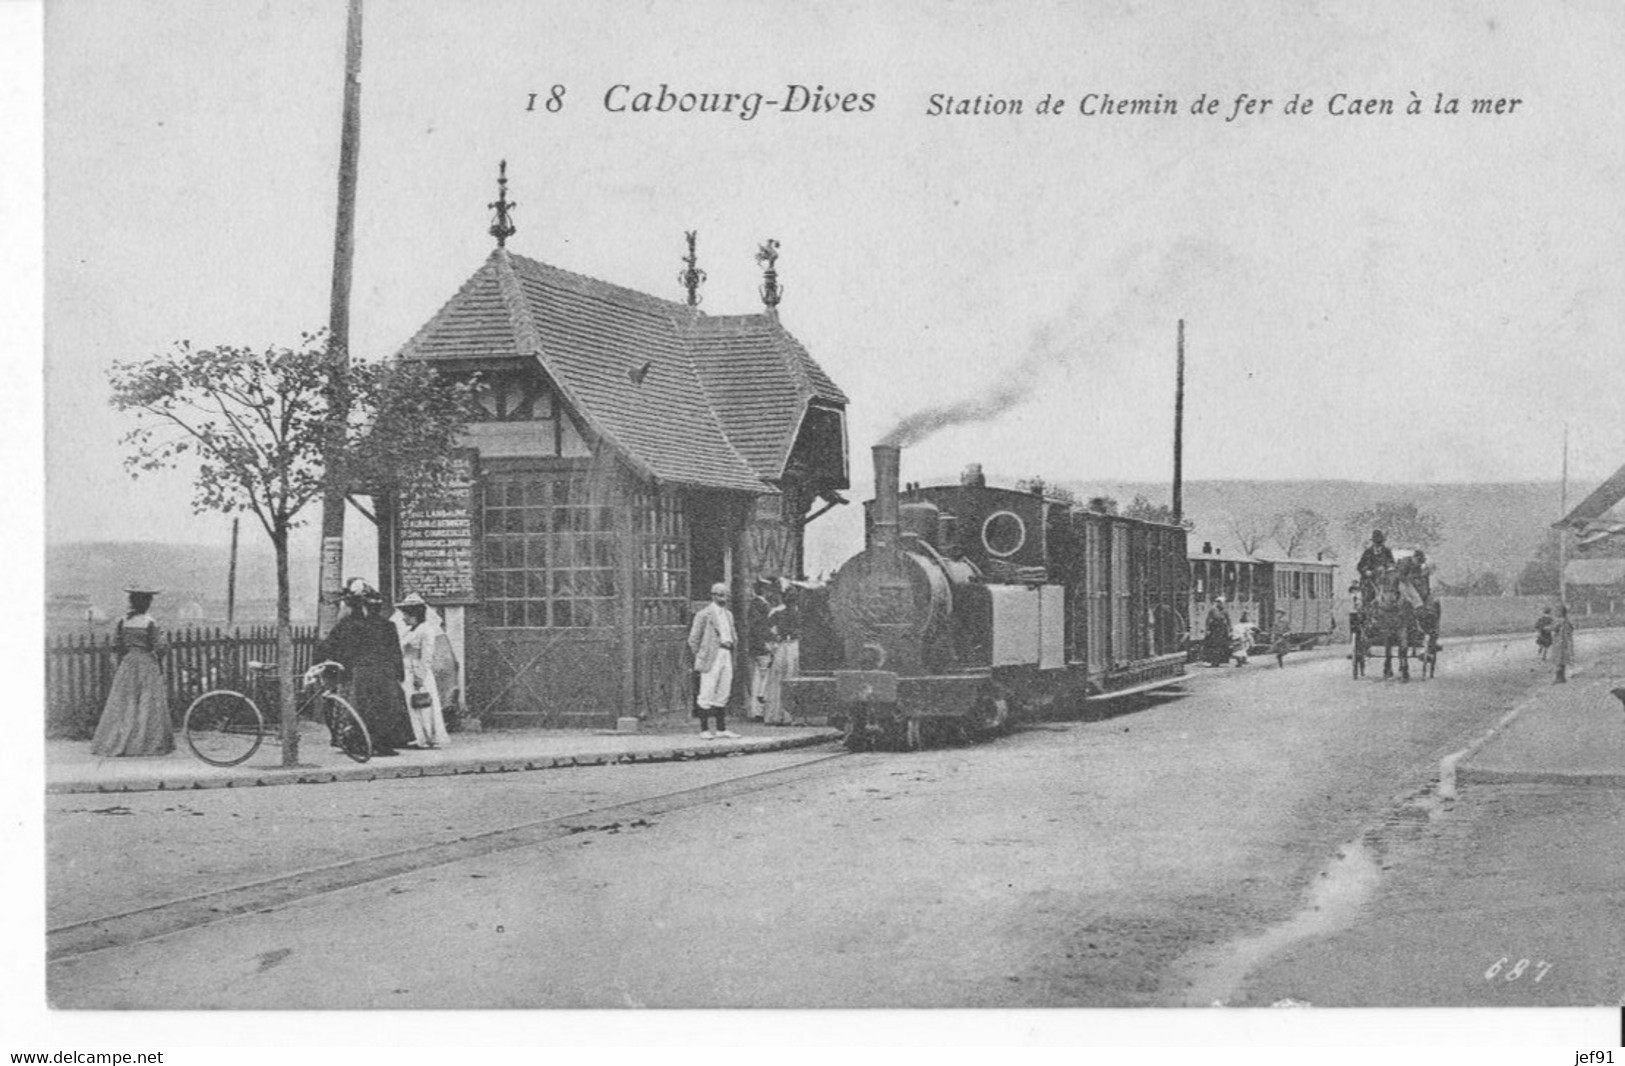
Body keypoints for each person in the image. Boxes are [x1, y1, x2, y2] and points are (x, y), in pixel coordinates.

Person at [315, 580, 415, 756]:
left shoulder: (347, 626)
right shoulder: (387, 625)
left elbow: (332, 649)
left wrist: (332, 671)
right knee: (384, 709)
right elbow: (395, 652)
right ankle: (382, 744)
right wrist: (399, 675)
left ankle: (359, 743)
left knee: (359, 709)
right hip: (385, 674)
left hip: (358, 674)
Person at [91, 586, 174, 757]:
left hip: (128, 664)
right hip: (145, 663)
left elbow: (118, 645)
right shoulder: (150, 622)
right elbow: (159, 647)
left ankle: (121, 740)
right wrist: (161, 651)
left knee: (125, 701)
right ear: (145, 603)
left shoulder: (123, 621)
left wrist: (123, 661)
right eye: (148, 601)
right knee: (146, 701)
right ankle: (144, 742)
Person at [397, 592, 451, 749]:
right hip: (407, 670)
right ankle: (417, 736)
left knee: (422, 705)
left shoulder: (426, 630)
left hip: (417, 671)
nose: (403, 618)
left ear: (414, 614)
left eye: (406, 615)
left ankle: (427, 737)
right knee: (412, 705)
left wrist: (420, 676)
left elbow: (427, 655)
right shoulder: (411, 630)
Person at [688, 582, 740, 739]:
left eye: (726, 595)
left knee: (723, 690)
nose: (723, 598)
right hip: (712, 655)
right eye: (719, 595)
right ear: (713, 596)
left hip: (726, 653)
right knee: (707, 690)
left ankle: (721, 729)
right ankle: (704, 729)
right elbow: (693, 639)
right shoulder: (704, 614)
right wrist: (702, 654)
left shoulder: (728, 614)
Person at [763, 583, 802, 725]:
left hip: (792, 646)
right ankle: (777, 715)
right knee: (780, 679)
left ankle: (788, 715)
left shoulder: (798, 613)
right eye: (789, 598)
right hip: (784, 647)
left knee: (791, 678)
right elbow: (766, 629)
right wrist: (775, 639)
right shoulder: (778, 613)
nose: (791, 601)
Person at [747, 578, 778, 722]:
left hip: (760, 644)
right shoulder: (759, 605)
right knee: (762, 677)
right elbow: (759, 628)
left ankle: (758, 710)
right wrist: (768, 641)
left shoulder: (758, 604)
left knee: (760, 676)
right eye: (767, 589)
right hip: (762, 645)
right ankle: (758, 710)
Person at [1203, 597, 1232, 666]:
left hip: (1222, 629)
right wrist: (1207, 629)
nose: (1221, 604)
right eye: (1219, 602)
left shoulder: (1225, 611)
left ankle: (1220, 661)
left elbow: (1228, 620)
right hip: (1214, 628)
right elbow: (1208, 619)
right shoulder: (1213, 610)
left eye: (1222, 603)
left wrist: (1230, 629)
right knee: (1214, 645)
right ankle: (1214, 661)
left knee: (1222, 645)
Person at [1552, 604, 1575, 683]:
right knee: (1562, 660)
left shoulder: (1560, 621)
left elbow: (1554, 628)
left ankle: (1559, 678)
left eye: (1557, 611)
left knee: (1559, 660)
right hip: (1563, 642)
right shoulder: (1566, 621)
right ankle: (1561, 677)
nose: (1555, 613)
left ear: (1560, 612)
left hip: (1560, 643)